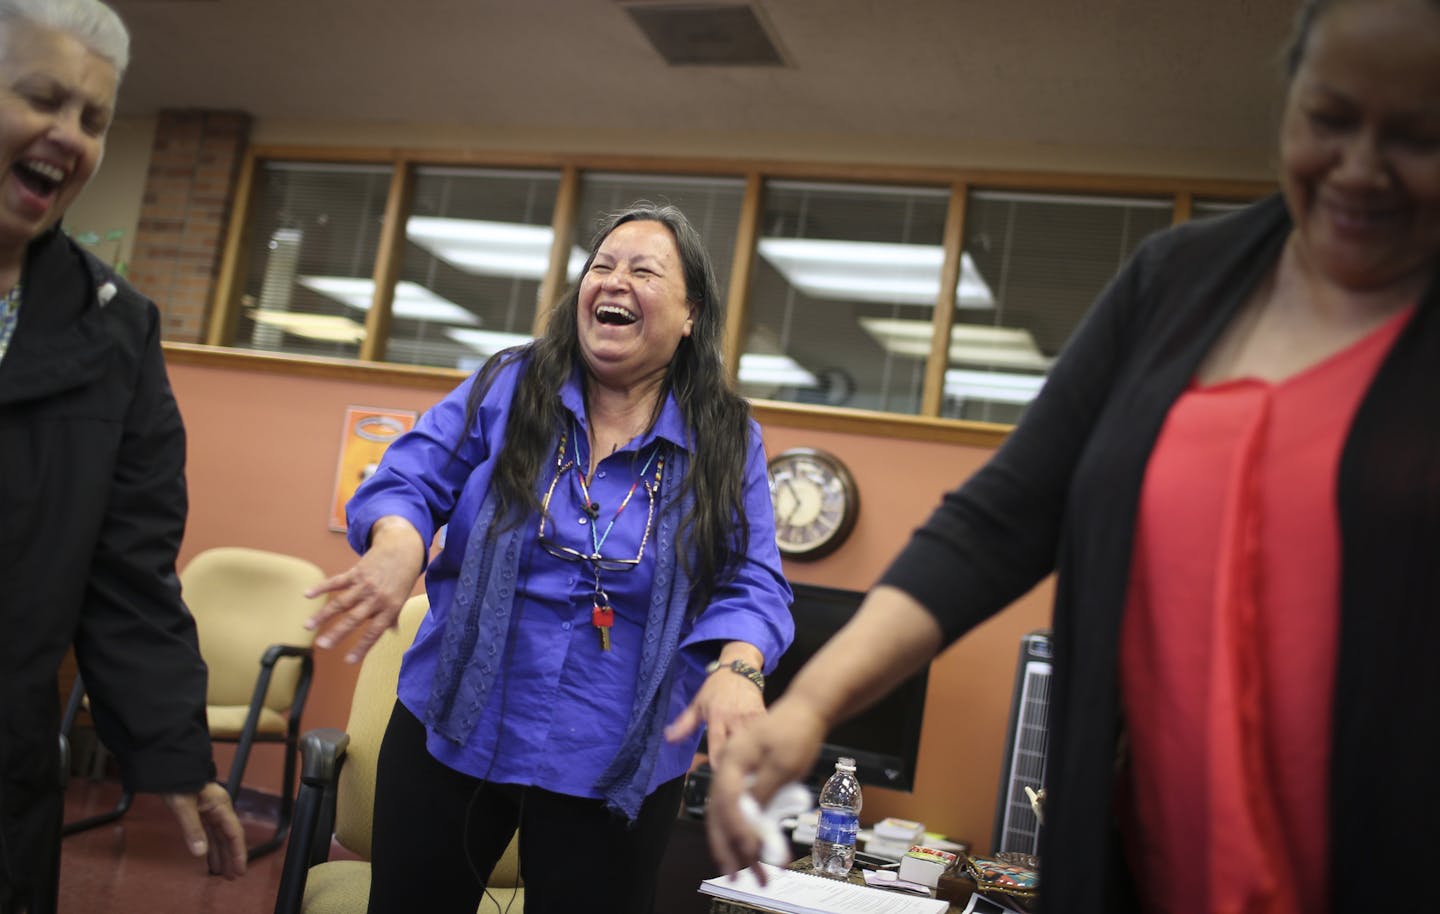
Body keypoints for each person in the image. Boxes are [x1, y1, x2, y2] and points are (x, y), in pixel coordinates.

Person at [706, 1, 1440, 912]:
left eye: (1417, 136)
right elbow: (1002, 516)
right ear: (1288, 98)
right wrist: (814, 703)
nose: (1361, 169)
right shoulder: (1175, 283)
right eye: (1331, 118)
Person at [305, 201, 793, 914]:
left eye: (644, 270)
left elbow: (751, 577)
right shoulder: (509, 385)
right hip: (455, 724)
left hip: (615, 754)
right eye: (602, 265)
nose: (614, 280)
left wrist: (738, 667)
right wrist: (398, 545)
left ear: (691, 316)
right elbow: (410, 477)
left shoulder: (725, 438)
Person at [0, 0, 249, 909]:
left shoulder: (118, 331)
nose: (68, 136)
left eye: (94, 120)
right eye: (44, 99)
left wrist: (177, 756)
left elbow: (128, 571)